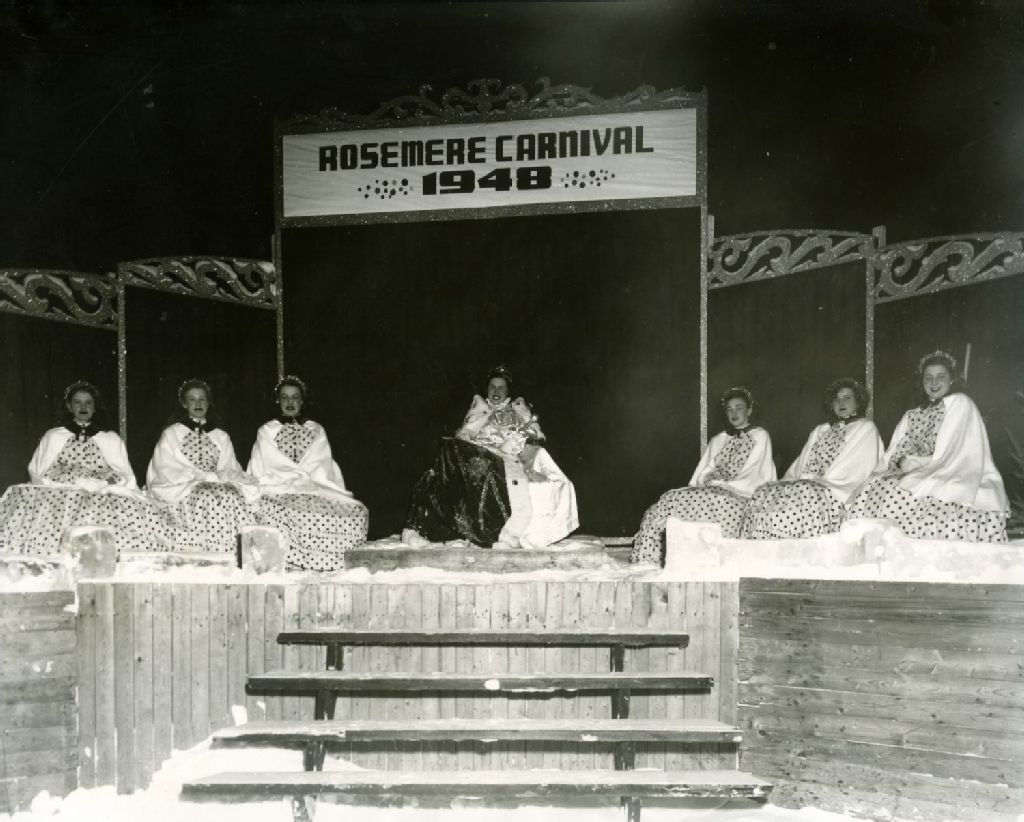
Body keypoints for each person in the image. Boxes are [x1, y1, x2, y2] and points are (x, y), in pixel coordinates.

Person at [403, 365, 578, 549]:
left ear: (508, 391)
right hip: (477, 457)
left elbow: (533, 441)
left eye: (501, 388)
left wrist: (517, 444)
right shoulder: (479, 412)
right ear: (487, 389)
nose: (496, 391)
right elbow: (463, 438)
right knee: (442, 462)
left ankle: (504, 534)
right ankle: (422, 529)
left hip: (506, 460)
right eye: (492, 387)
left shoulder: (518, 413)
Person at [846, 351, 1008, 542]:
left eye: (941, 377)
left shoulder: (960, 403)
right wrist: (902, 461)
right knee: (874, 486)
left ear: (952, 380)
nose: (934, 382)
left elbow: (956, 452)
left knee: (902, 491)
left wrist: (919, 462)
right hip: (914, 471)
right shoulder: (912, 414)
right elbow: (896, 452)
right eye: (928, 378)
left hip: (951, 468)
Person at [0, 380, 171, 555]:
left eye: (88, 403)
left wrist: (103, 482)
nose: (83, 407)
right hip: (62, 488)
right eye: (77, 402)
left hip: (101, 488)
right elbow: (39, 470)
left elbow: (123, 473)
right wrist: (73, 481)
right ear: (69, 406)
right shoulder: (54, 436)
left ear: (95, 407)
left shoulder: (109, 438)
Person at [631, 386, 776, 564]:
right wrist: (707, 479)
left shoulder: (760, 436)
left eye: (739, 408)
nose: (734, 413)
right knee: (672, 499)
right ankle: (652, 558)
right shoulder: (718, 439)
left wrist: (722, 484)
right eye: (729, 409)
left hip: (741, 494)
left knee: (707, 500)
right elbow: (702, 473)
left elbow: (755, 472)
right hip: (713, 490)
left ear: (749, 410)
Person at [247, 376, 369, 571]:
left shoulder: (316, 429)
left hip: (315, 484)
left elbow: (320, 461)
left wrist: (307, 480)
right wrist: (294, 478)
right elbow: (270, 462)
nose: (290, 402)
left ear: (302, 401)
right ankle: (294, 563)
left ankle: (332, 563)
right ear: (278, 401)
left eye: (295, 397)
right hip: (280, 485)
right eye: (285, 397)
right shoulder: (267, 430)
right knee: (283, 510)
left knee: (355, 511)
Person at [740, 378, 884, 539]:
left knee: (805, 491)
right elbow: (801, 463)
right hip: (809, 485)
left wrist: (821, 482)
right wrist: (792, 480)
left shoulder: (865, 427)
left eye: (847, 397)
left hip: (836, 488)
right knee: (767, 491)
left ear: (858, 402)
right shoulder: (821, 429)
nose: (841, 402)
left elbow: (857, 467)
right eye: (836, 399)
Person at [146, 378, 258, 553]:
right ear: (184, 404)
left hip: (218, 483)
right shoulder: (172, 433)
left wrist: (217, 478)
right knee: (206, 495)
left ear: (208, 403)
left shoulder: (221, 436)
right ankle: (206, 552)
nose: (198, 403)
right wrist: (197, 478)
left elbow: (229, 467)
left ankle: (234, 553)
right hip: (184, 486)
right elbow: (165, 467)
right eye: (192, 399)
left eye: (202, 399)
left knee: (232, 495)